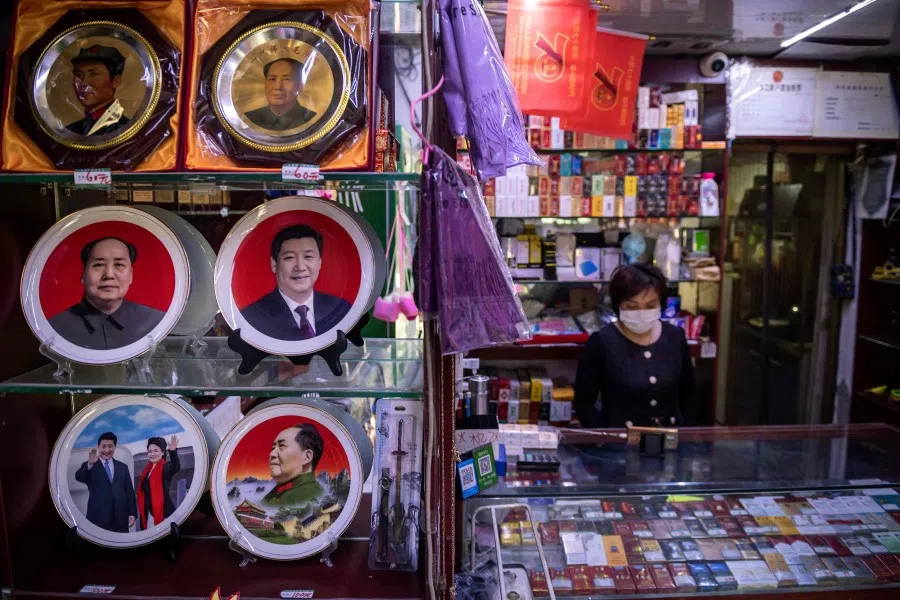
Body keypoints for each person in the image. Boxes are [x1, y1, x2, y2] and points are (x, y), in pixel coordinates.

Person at [574, 263, 697, 428]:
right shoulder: (602, 342)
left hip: (671, 443)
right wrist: (604, 441)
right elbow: (584, 403)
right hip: (618, 447)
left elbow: (689, 395)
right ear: (618, 305)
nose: (641, 313)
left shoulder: (674, 337)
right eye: (632, 307)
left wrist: (685, 437)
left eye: (650, 306)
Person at [49, 237, 165, 350]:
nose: (109, 274)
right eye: (99, 265)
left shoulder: (158, 322)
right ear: (83, 275)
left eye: (119, 265)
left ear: (131, 276)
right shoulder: (54, 328)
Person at [240, 224, 351, 340]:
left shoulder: (341, 309)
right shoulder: (252, 316)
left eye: (308, 257)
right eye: (289, 258)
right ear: (274, 264)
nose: (300, 267)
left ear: (320, 262)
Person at [74, 432, 137, 532]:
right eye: (103, 446)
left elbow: (129, 491)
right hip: (97, 520)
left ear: (114, 447)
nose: (106, 450)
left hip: (120, 519)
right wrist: (90, 464)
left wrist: (132, 512)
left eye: (110, 446)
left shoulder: (123, 467)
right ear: (98, 447)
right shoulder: (90, 465)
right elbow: (79, 477)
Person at [66, 45, 130, 136]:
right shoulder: (71, 130)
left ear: (115, 81)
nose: (84, 82)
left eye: (93, 74)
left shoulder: (125, 129)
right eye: (79, 75)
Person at [261, 423, 325, 507]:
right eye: (273, 448)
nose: (272, 454)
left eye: (282, 446)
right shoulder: (276, 492)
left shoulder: (315, 498)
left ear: (307, 457)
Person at [244, 58, 316, 131]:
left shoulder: (313, 121)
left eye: (287, 79)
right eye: (272, 79)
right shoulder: (249, 119)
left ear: (300, 86)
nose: (277, 87)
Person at [135, 435, 181, 530]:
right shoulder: (147, 470)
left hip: (163, 513)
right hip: (148, 513)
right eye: (150, 451)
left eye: (156, 451)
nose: (152, 454)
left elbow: (175, 467)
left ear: (163, 452)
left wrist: (172, 451)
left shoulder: (165, 467)